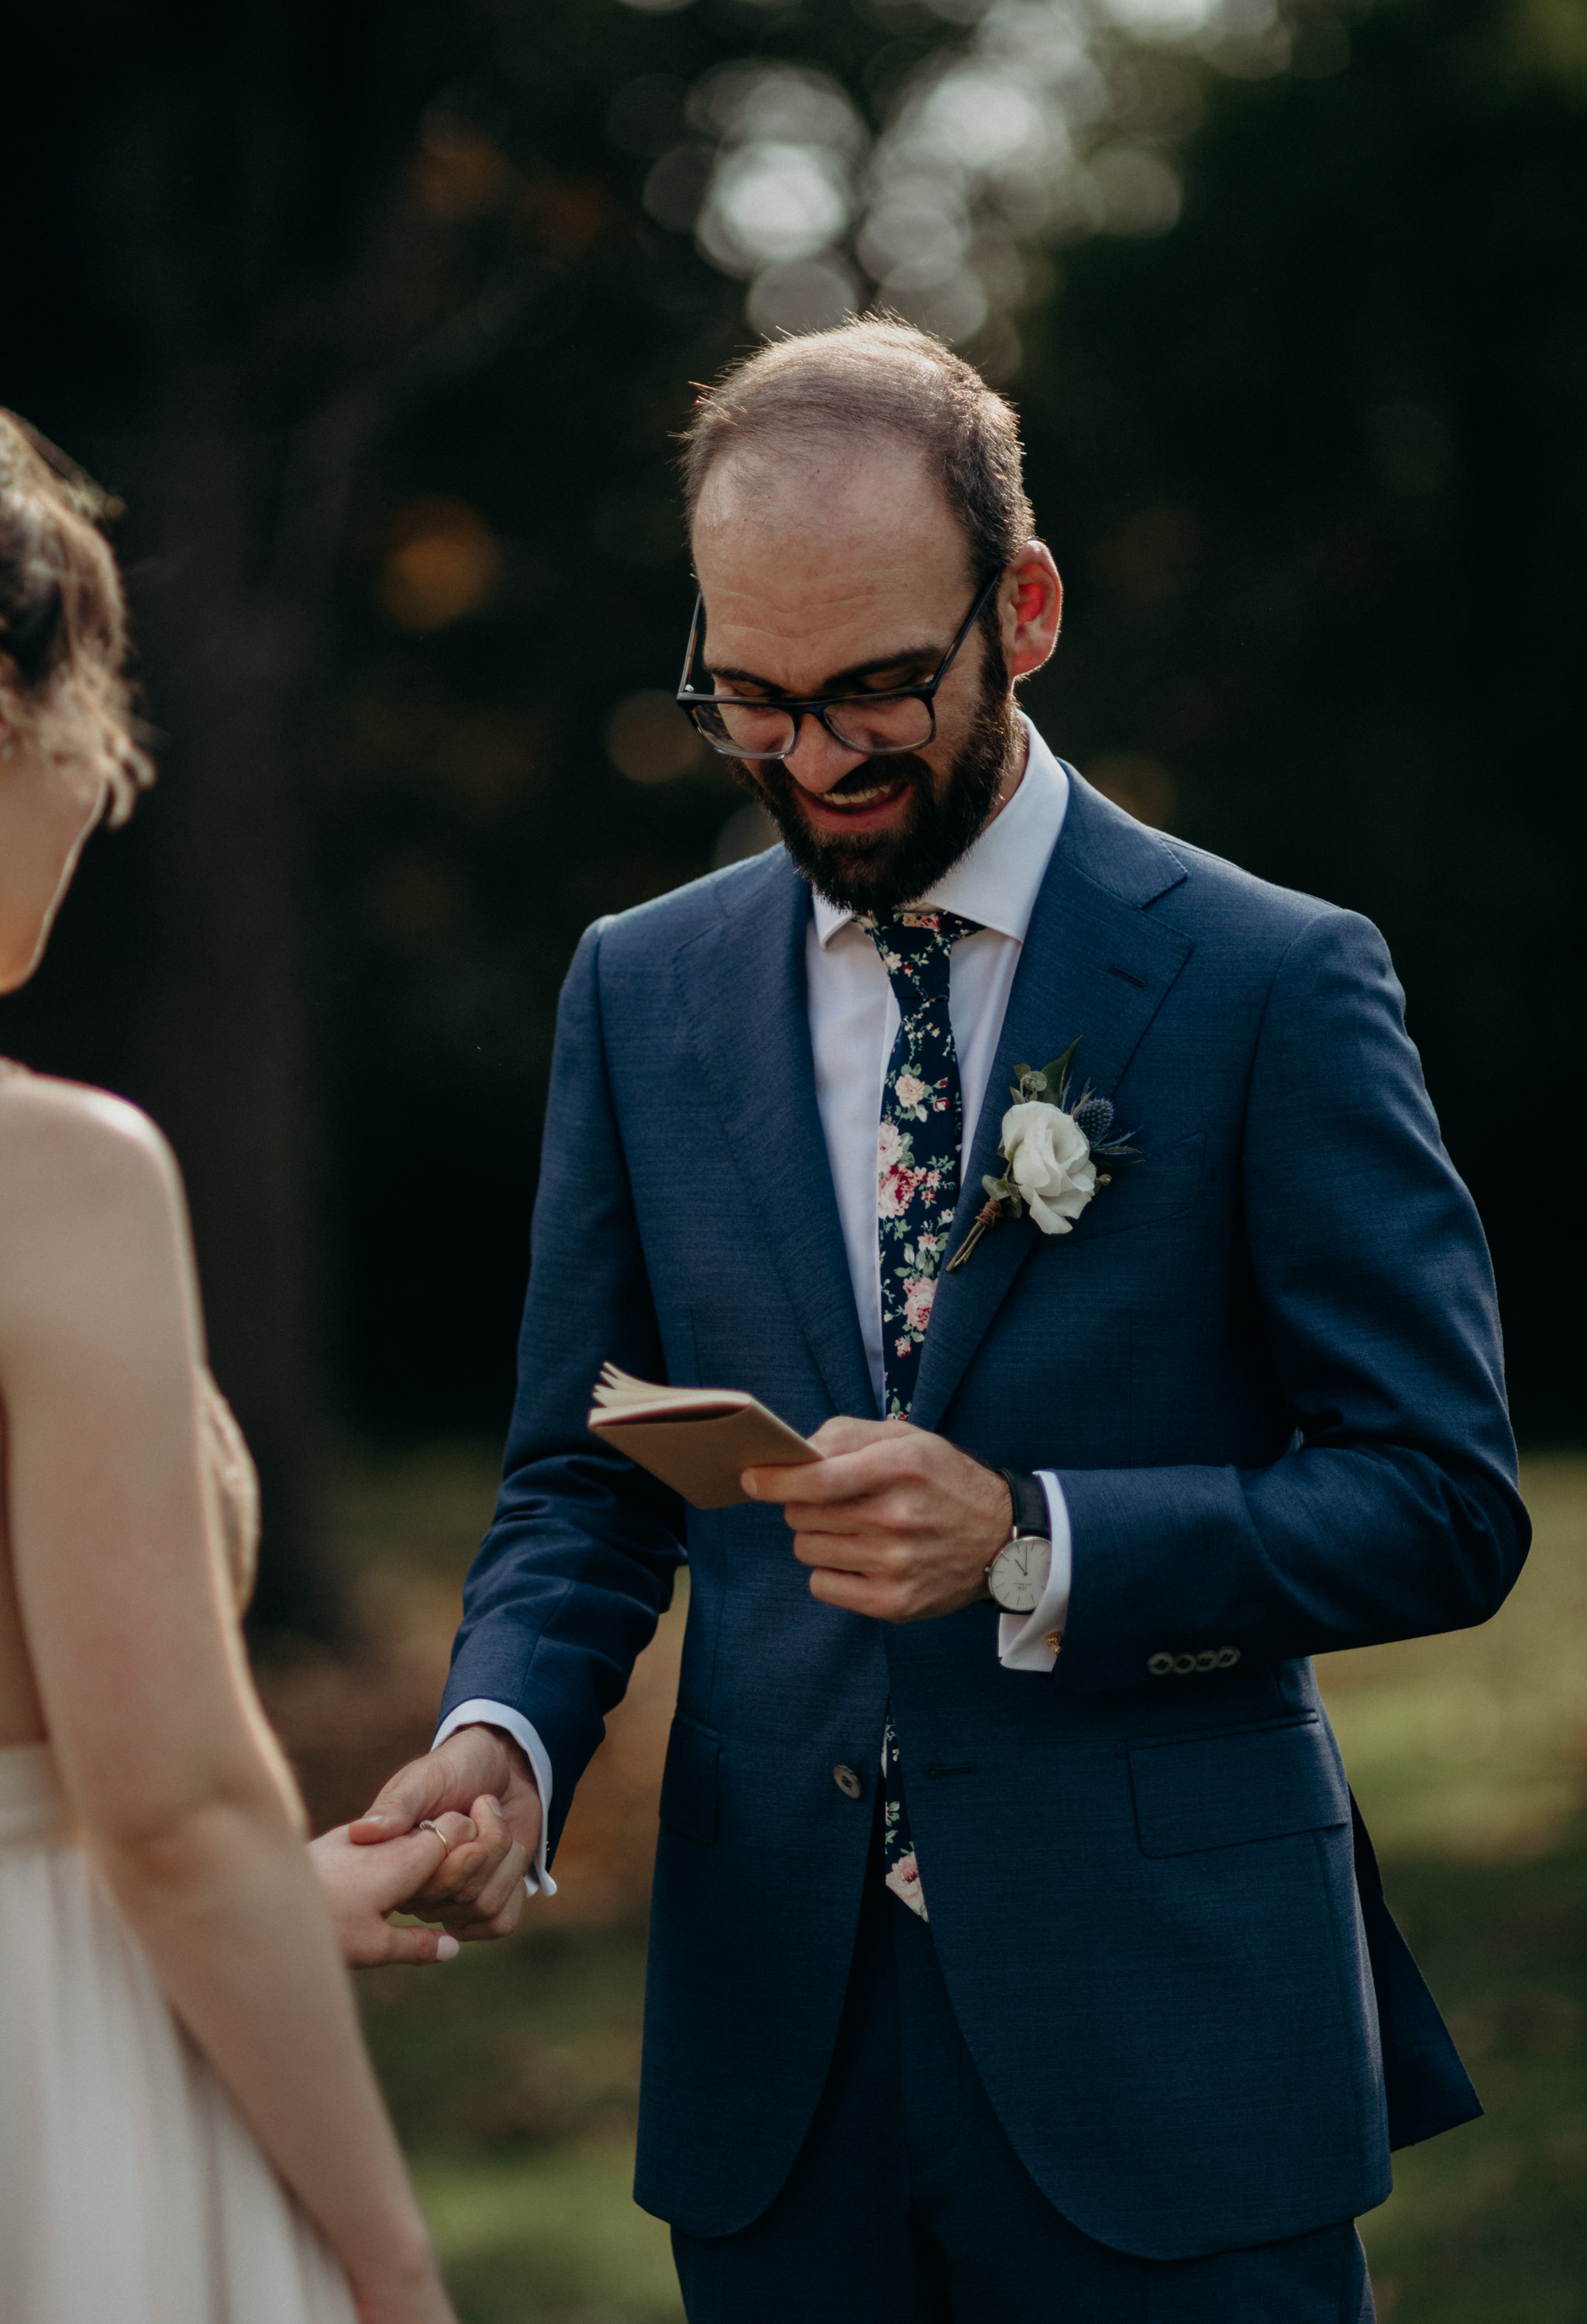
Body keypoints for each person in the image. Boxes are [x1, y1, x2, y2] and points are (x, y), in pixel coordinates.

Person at [355, 319, 1528, 2321]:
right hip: (776, 2068)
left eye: (875, 691)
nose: (811, 762)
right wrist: (506, 1738)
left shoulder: (1271, 981)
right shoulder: (637, 993)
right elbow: (579, 1477)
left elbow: (1443, 1493)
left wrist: (1041, 1538)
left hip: (1174, 2043)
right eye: (752, 703)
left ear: (1027, 610)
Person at [0, 411, 506, 2323]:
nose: (105, 798)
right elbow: (170, 1812)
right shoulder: (53, 1181)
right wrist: (386, 2263)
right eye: (97, 730)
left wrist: (274, 1915)